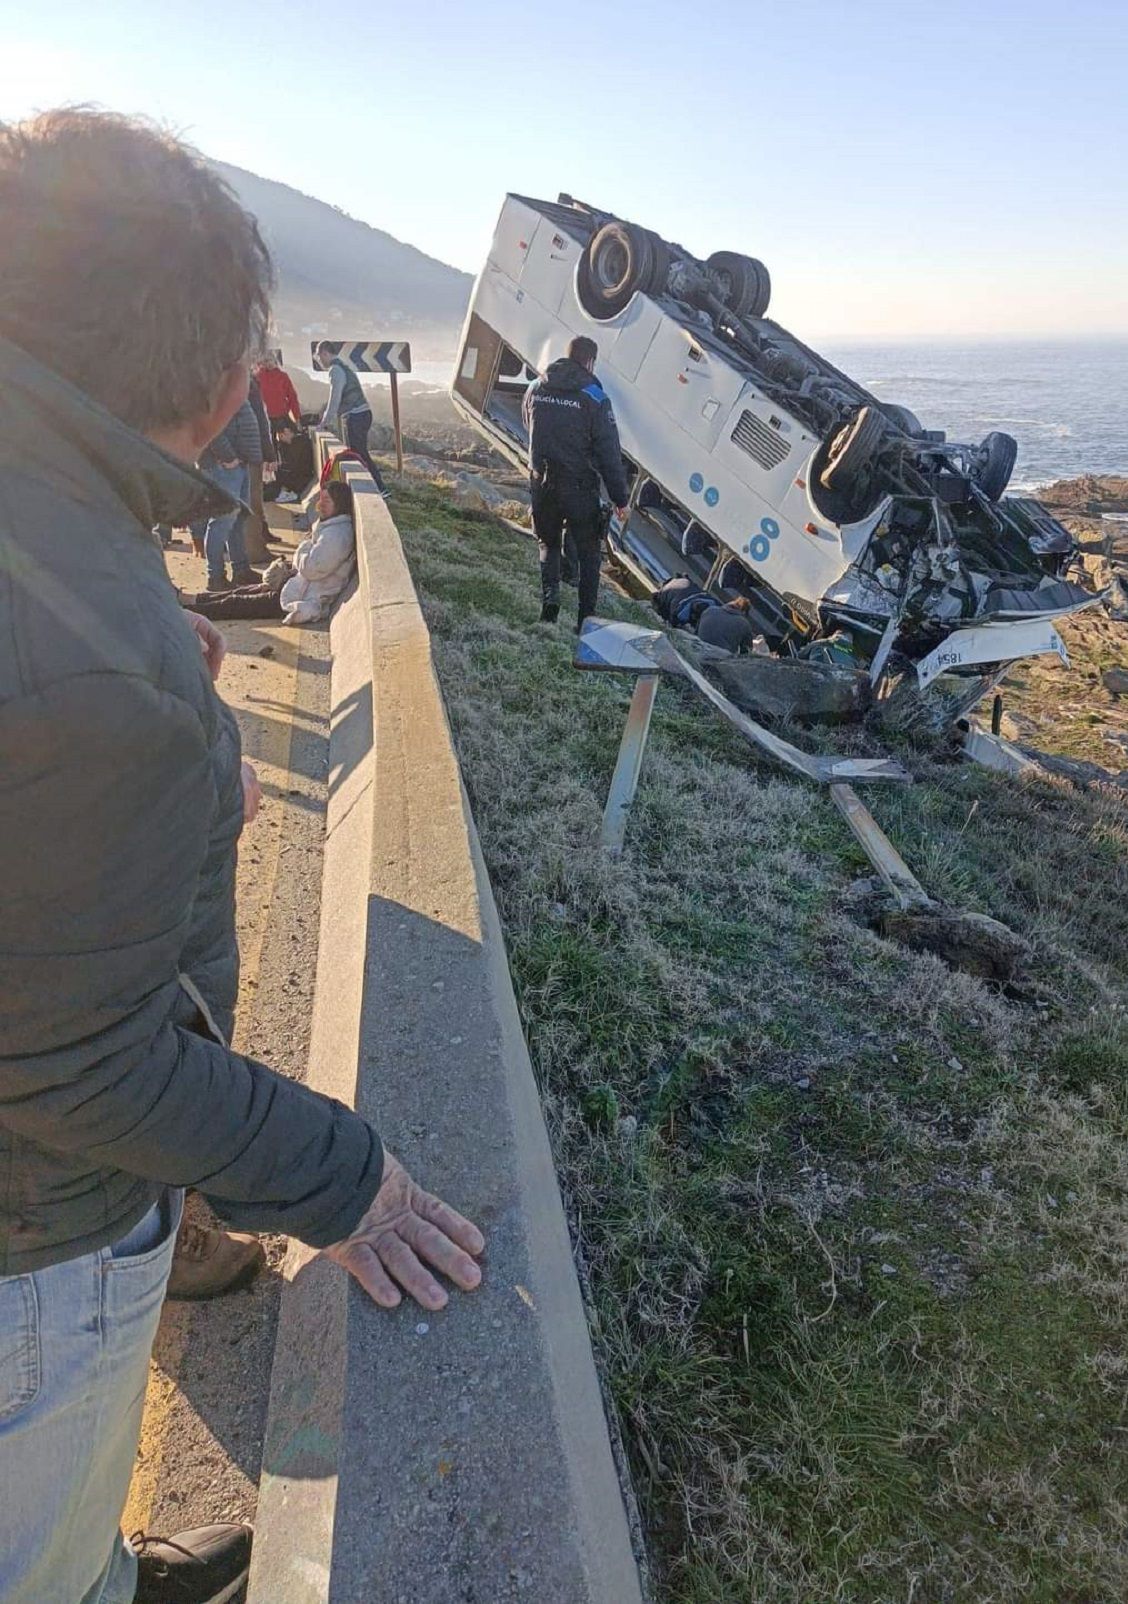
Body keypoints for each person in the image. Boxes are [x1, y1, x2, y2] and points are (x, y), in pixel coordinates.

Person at [0, 108, 484, 1604]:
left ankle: (108, 1553)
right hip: (35, 1234)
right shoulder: (91, 650)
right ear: (225, 394)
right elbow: (67, 1060)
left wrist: (142, 684)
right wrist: (342, 1179)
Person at [524, 335, 629, 630]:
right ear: (590, 361)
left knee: (548, 543)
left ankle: (550, 607)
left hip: (541, 482)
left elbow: (528, 425)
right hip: (579, 486)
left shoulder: (536, 387)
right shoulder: (595, 396)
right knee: (589, 553)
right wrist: (620, 500)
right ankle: (585, 621)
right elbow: (608, 452)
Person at [185, 481, 356, 624]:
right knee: (242, 592)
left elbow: (310, 569)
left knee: (236, 603)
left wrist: (304, 547)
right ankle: (191, 600)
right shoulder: (329, 527)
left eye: (328, 500)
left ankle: (188, 612)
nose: (321, 504)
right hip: (297, 586)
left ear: (339, 504)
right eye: (321, 498)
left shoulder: (337, 535)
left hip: (303, 596)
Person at [198, 399, 259, 591]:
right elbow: (210, 424)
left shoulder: (225, 379)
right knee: (221, 522)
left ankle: (240, 570)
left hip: (236, 463)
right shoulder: (214, 382)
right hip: (223, 465)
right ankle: (215, 577)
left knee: (236, 520)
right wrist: (228, 456)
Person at [316, 340, 385, 491]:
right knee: (359, 453)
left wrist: (323, 424)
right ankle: (376, 486)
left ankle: (380, 487)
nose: (319, 360)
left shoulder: (335, 370)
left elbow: (335, 399)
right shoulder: (342, 367)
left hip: (356, 416)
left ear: (325, 353)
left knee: (360, 454)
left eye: (319, 356)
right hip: (361, 414)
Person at [239, 371, 278, 564]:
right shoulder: (245, 381)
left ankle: (255, 544)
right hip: (247, 453)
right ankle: (255, 551)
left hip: (242, 453)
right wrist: (269, 453)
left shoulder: (223, 376)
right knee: (252, 503)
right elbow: (261, 422)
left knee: (249, 503)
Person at [264, 418, 316, 504]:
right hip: (292, 477)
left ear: (287, 431)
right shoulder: (287, 445)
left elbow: (295, 466)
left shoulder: (301, 443)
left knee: (270, 489)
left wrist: (278, 466)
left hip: (300, 480)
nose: (281, 439)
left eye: (281, 436)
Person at [254, 351, 301, 432]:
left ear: (275, 361)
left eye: (270, 360)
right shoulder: (258, 377)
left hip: (281, 417)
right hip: (265, 418)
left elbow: (292, 397)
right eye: (265, 361)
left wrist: (297, 418)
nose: (268, 363)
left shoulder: (283, 376)